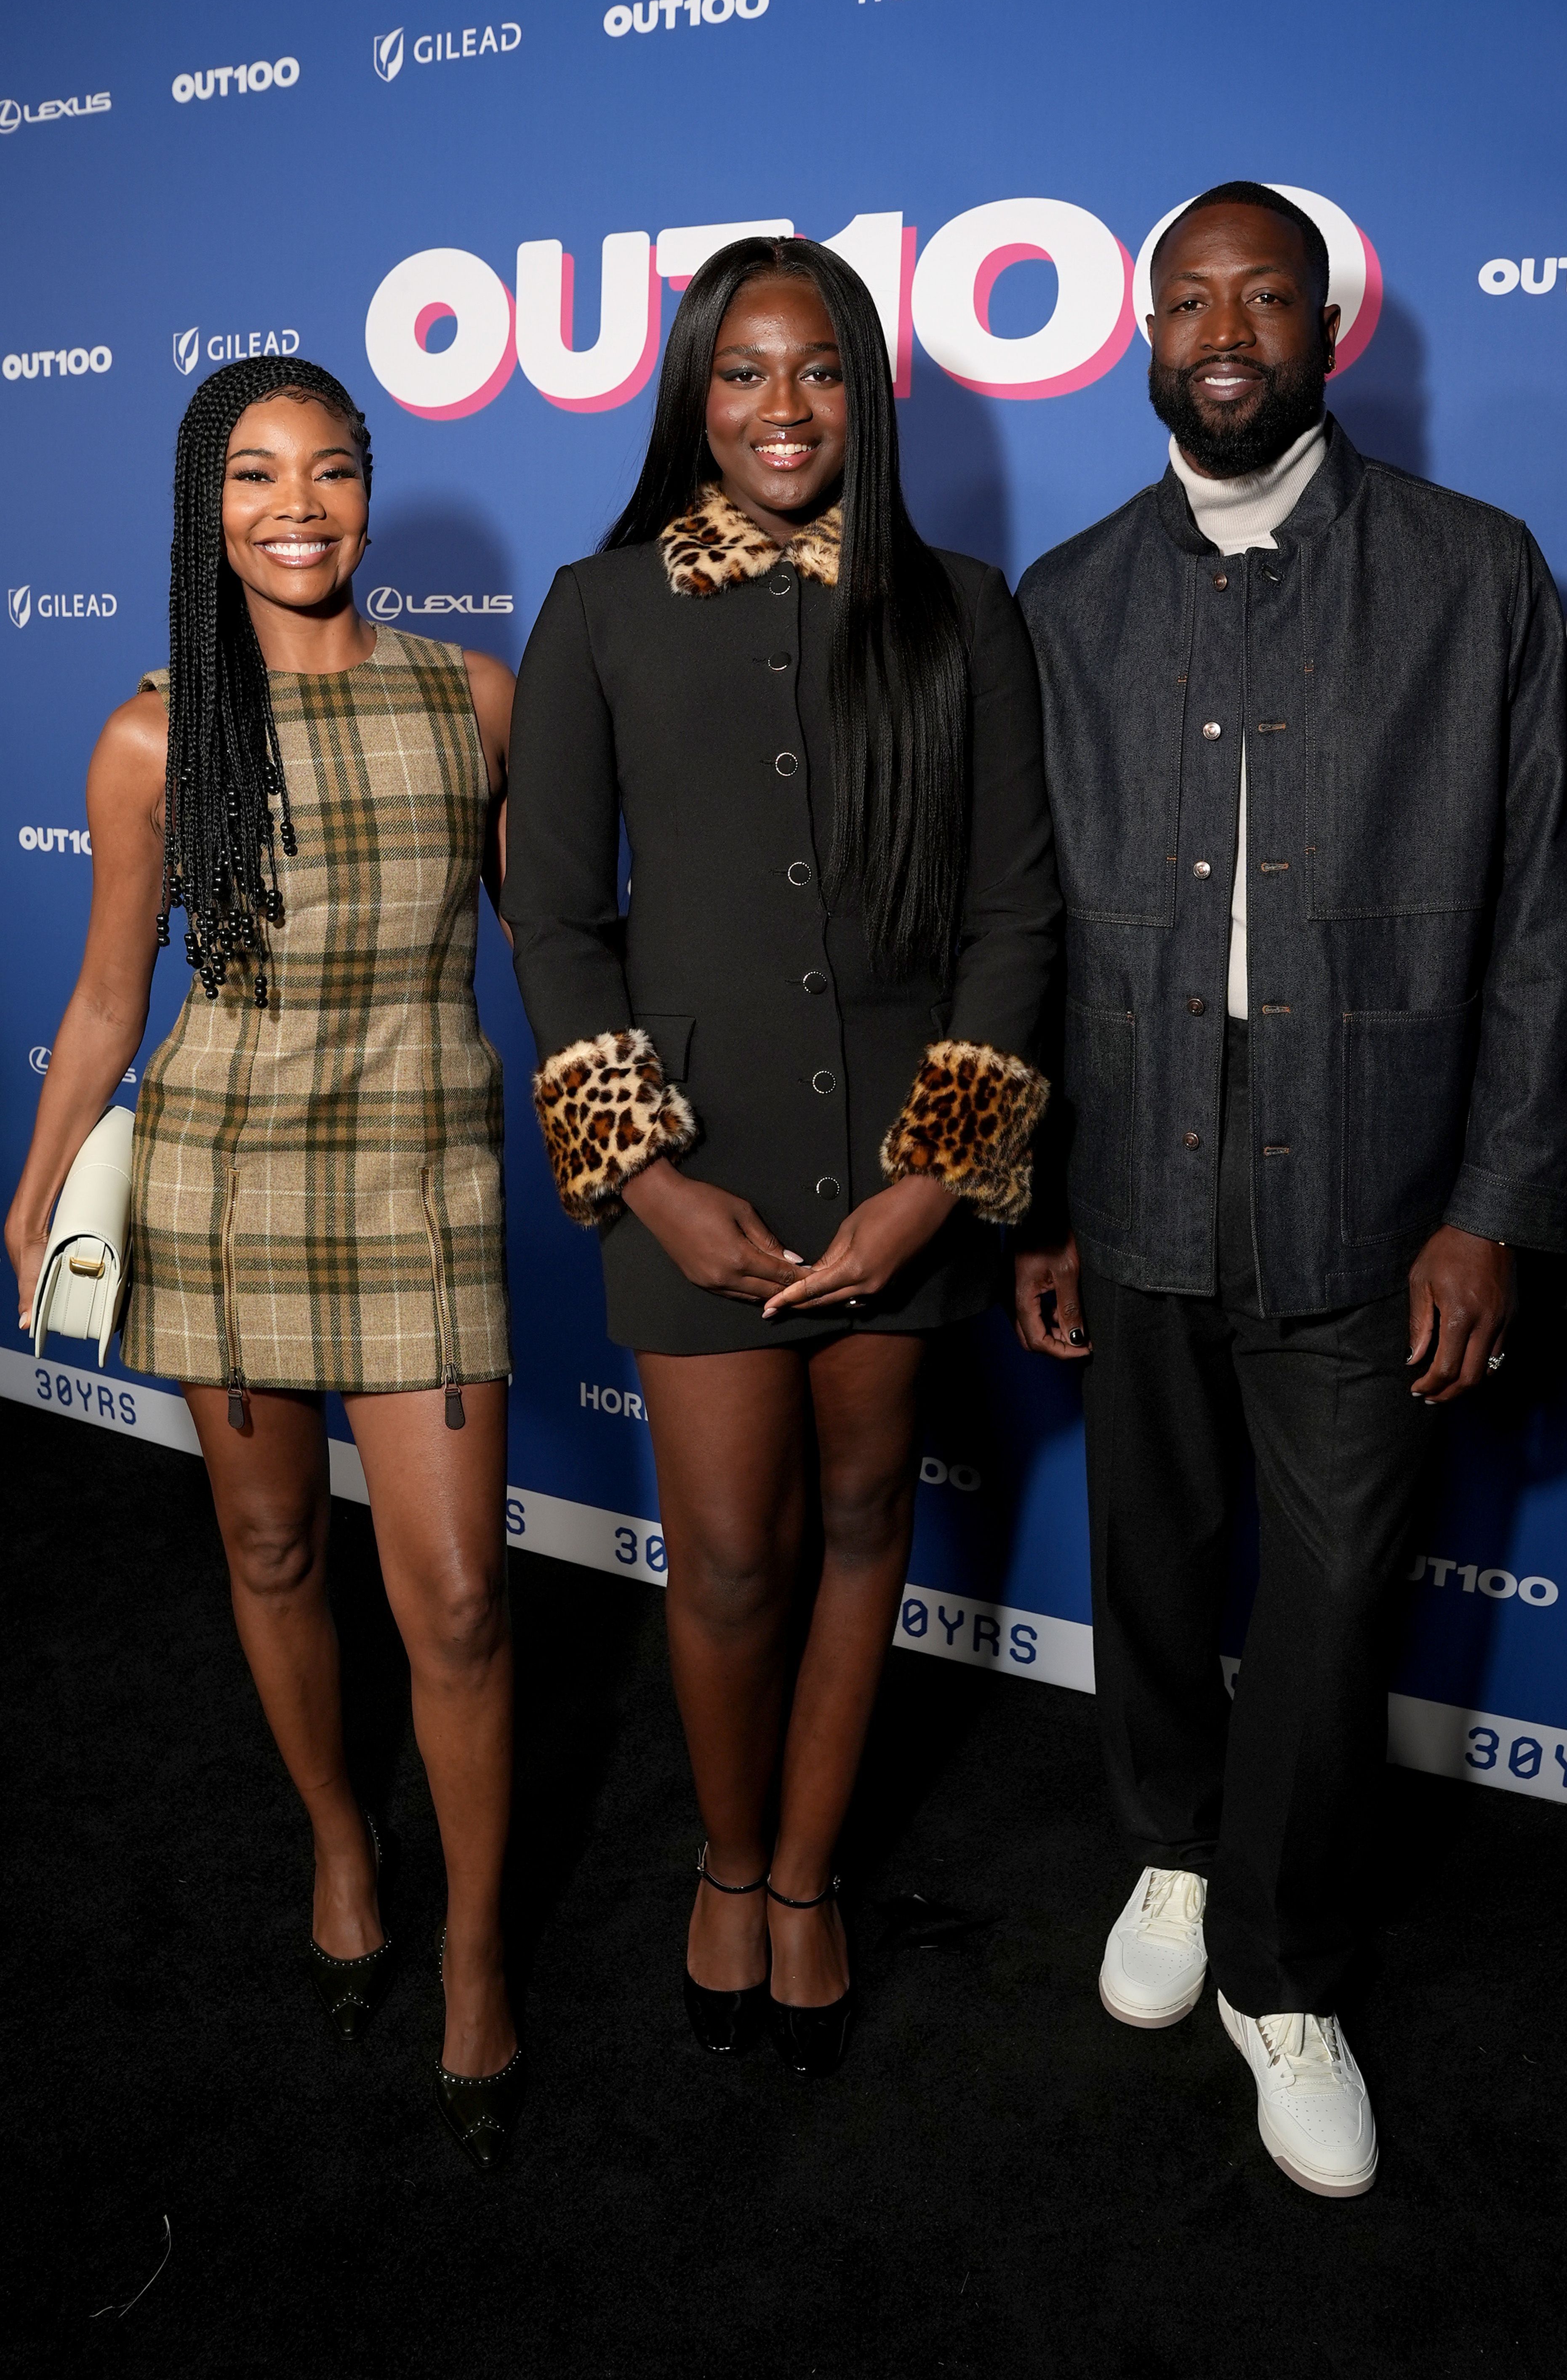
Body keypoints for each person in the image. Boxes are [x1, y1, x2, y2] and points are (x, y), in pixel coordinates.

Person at [1014, 182, 1567, 2196]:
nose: (1228, 326)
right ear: (1143, 335)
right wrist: (1038, 1201)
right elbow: (1025, 942)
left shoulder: (1474, 577)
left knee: (1338, 1599)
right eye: (1192, 298)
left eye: (1267, 292)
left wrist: (1493, 1207)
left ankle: (1285, 1968)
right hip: (1133, 1152)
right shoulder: (1066, 602)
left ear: (1330, 325)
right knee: (1156, 1559)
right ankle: (1172, 1854)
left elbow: (1544, 922)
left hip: (1376, 1187)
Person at [504, 237, 1059, 2075]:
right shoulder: (597, 609)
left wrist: (938, 1176)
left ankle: (808, 1881)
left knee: (858, 1529)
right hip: (695, 1170)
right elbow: (559, 926)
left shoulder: (962, 606)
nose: (780, 409)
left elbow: (1011, 916)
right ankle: (730, 1861)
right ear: (690, 391)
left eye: (817, 371)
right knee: (728, 1556)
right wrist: (645, 1175)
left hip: (904, 1170)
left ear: (865, 394)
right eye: (742, 373)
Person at [6, 357, 524, 2170]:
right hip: (228, 1175)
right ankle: (335, 1840)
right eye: (252, 476)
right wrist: (41, 1173)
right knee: (272, 1540)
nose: (295, 506)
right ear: (202, 508)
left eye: (329, 471)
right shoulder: (155, 735)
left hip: (424, 1176)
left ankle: (474, 1948)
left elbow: (579, 945)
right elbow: (103, 997)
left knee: (457, 1597)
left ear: (371, 494)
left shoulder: (473, 698)